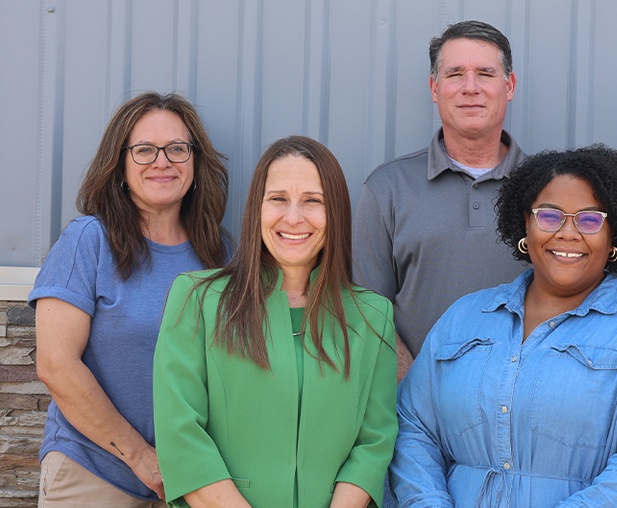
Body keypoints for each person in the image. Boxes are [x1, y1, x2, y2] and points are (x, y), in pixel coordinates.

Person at [390, 145, 617, 507]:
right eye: (550, 216)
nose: (568, 233)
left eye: (589, 220)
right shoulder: (464, 318)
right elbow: (413, 429)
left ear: (613, 236)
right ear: (526, 224)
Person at [154, 136, 397, 508]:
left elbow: (374, 441)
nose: (294, 217)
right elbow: (180, 435)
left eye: (313, 201)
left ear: (336, 213)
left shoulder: (373, 316)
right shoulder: (197, 300)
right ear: (257, 208)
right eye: (278, 199)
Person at [30, 92, 230, 507]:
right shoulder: (89, 241)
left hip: (193, 478)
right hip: (95, 473)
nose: (162, 161)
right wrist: (142, 458)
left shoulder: (222, 253)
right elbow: (55, 365)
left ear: (195, 162)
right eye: (144, 150)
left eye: (177, 148)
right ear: (119, 164)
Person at [353, 20, 527, 381]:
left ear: (508, 86)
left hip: (527, 412)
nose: (470, 88)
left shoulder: (547, 189)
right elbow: (367, 311)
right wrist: (417, 393)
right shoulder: (388, 188)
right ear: (435, 87)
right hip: (418, 419)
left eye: (485, 73)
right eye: (455, 74)